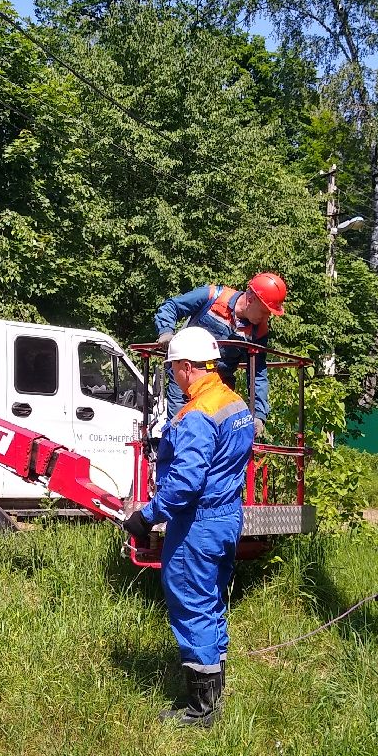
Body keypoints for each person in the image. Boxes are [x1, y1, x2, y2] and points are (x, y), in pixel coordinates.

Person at [122, 326, 255, 728]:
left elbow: (184, 484)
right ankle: (216, 689)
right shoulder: (236, 404)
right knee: (212, 602)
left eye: (172, 372)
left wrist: (147, 517)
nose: (173, 380)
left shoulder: (196, 414)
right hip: (227, 517)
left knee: (192, 605)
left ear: (185, 367)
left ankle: (202, 710)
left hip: (197, 523)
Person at [152, 272, 287, 437]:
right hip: (185, 378)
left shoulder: (258, 330)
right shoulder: (213, 296)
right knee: (181, 430)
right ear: (251, 300)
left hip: (220, 384)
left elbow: (257, 373)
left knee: (219, 434)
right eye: (265, 311)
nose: (267, 317)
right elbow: (171, 306)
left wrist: (258, 414)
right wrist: (166, 332)